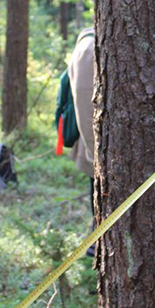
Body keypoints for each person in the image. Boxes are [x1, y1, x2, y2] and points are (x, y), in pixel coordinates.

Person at [66, 27, 96, 254]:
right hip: (98, 152)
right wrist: (97, 157)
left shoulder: (89, 44)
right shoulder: (89, 48)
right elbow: (86, 109)